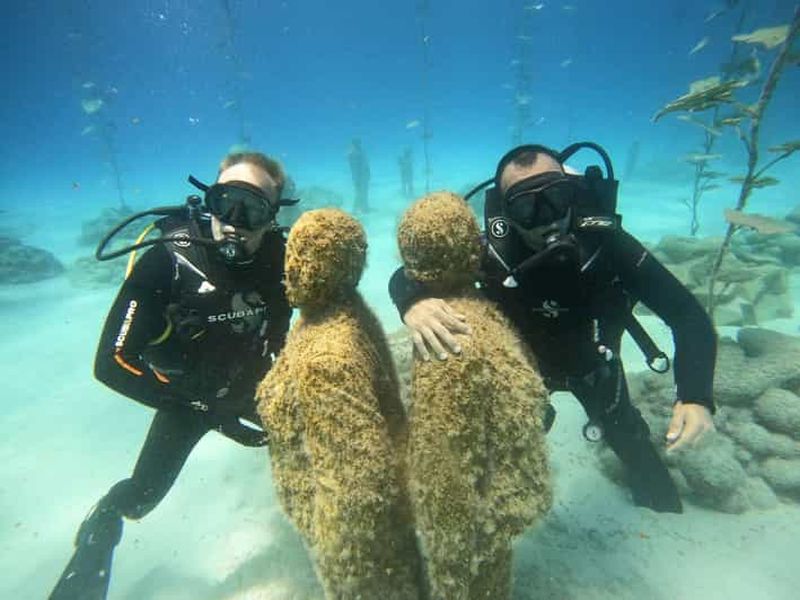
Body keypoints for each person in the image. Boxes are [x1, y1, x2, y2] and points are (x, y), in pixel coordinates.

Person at [389, 143, 717, 514]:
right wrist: (412, 304)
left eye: (556, 197)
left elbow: (687, 314)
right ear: (506, 212)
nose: (547, 217)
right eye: (527, 206)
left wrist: (696, 395)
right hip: (522, 370)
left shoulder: (607, 244)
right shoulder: (492, 251)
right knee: (502, 454)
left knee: (630, 438)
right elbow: (411, 274)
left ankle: (663, 513)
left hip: (595, 367)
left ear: (573, 193)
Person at [50, 151, 294, 600]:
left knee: (316, 443)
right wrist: (207, 408)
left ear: (273, 216)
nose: (234, 221)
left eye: (253, 208)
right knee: (140, 497)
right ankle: (98, 532)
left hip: (255, 387)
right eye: (224, 202)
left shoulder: (286, 257)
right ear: (208, 201)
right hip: (186, 397)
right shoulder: (169, 258)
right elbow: (112, 361)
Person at [348, 137, 371, 213]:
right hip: (359, 177)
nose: (359, 144)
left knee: (364, 193)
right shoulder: (353, 153)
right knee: (359, 193)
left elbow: (365, 165)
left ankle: (364, 208)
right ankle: (355, 210)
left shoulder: (360, 152)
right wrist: (356, 179)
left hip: (364, 176)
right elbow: (354, 168)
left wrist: (368, 174)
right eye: (358, 143)